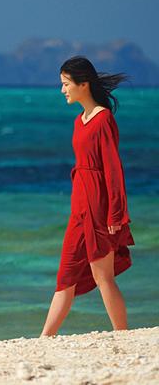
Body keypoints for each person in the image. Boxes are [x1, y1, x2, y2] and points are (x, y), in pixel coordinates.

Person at [41, 56, 134, 336]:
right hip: (79, 208)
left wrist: (116, 213)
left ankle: (123, 335)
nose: (62, 90)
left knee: (102, 276)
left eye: (66, 84)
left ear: (84, 84)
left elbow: (113, 170)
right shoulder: (79, 121)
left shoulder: (103, 119)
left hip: (99, 208)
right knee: (65, 276)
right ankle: (44, 338)